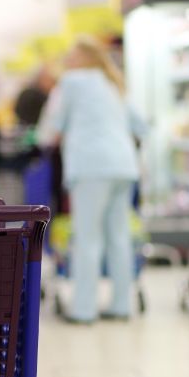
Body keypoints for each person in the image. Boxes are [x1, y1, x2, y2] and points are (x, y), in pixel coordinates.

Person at [46, 36, 145, 323]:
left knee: (88, 238)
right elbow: (140, 125)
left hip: (91, 167)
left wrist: (45, 140)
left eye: (71, 54)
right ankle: (121, 305)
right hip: (124, 165)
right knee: (119, 236)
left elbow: (54, 124)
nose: (68, 60)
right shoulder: (115, 83)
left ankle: (84, 309)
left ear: (82, 58)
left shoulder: (72, 82)